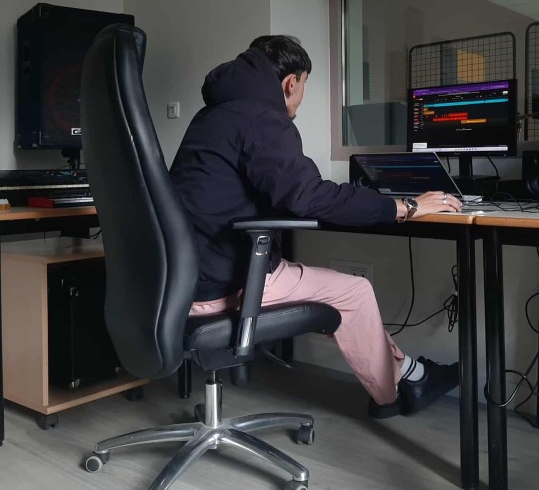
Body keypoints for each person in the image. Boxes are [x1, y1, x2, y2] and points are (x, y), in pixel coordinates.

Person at [169, 34, 462, 418]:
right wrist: (405, 207)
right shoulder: (262, 118)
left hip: (182, 281)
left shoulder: (211, 116)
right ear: (291, 82)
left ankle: (409, 372)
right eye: (304, 85)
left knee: (320, 280)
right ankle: (393, 395)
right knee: (355, 291)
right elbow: (309, 197)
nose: (301, 97)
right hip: (226, 284)